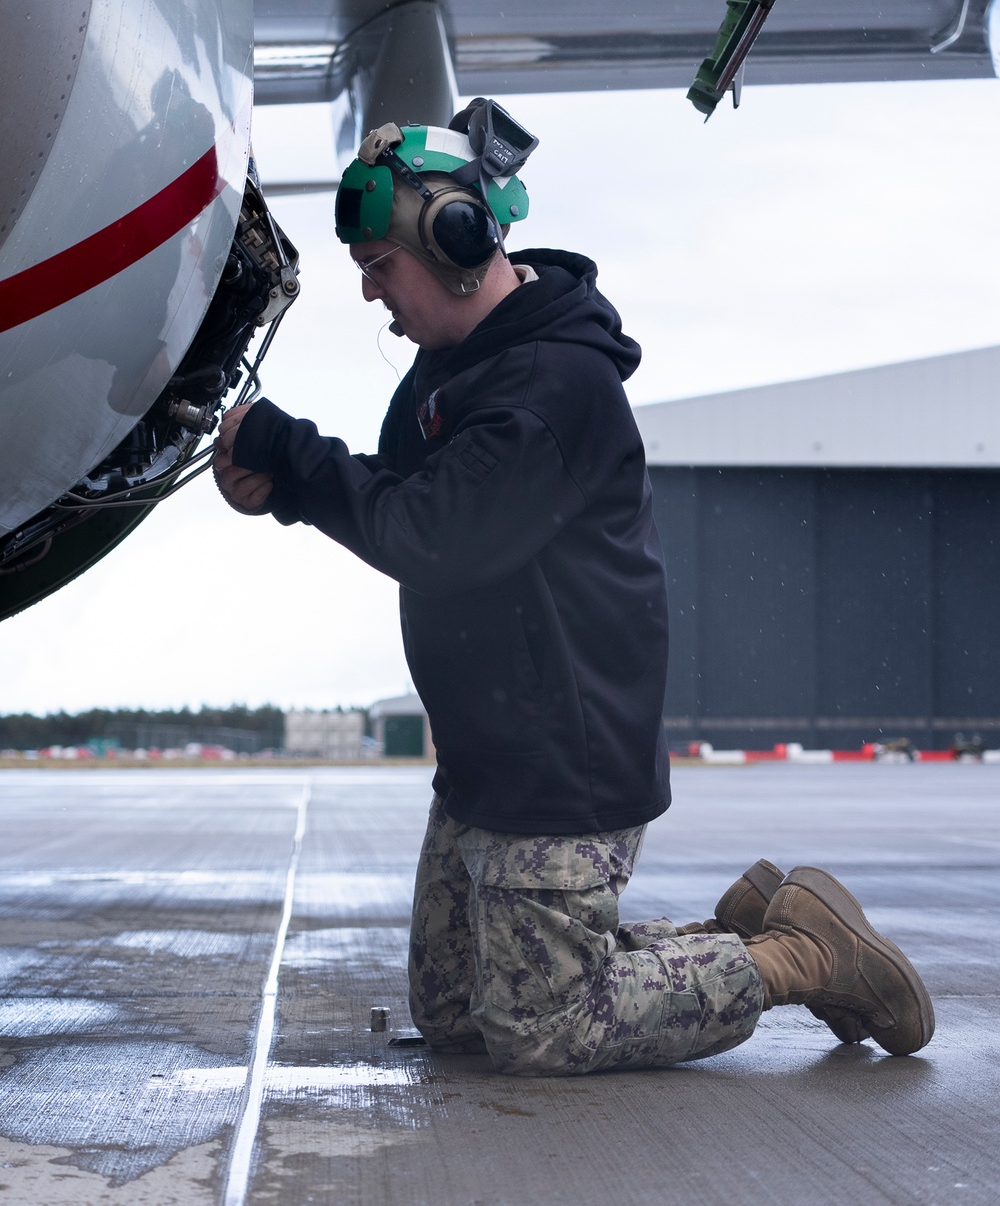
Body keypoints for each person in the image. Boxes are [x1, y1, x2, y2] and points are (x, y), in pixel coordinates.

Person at [213, 99, 934, 1074]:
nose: (372, 293)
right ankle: (743, 921)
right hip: (486, 755)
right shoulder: (446, 371)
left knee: (542, 1027)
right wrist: (290, 482)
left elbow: (437, 536)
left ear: (456, 237)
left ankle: (804, 954)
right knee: (456, 1011)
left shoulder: (552, 389)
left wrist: (291, 459)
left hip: (559, 762)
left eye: (381, 266)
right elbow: (393, 499)